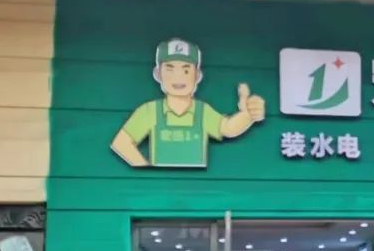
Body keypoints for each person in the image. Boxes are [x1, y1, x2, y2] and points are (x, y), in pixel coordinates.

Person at [111, 38, 265, 168]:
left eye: (186, 70)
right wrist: (148, 170)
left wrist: (248, 115)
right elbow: (121, 143)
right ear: (158, 74)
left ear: (197, 75)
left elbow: (228, 128)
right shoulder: (150, 111)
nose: (178, 78)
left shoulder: (202, 111)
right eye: (170, 69)